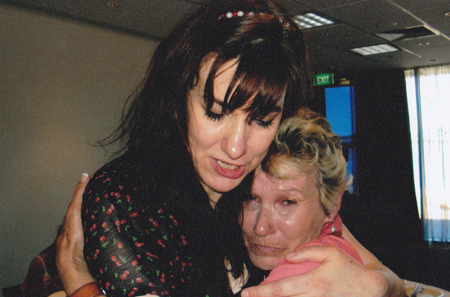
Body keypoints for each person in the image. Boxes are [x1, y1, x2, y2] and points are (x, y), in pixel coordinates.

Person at [56, 0, 407, 296]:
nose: (237, 148)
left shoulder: (262, 170)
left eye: (263, 119)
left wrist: (375, 285)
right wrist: (79, 283)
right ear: (177, 101)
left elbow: (387, 278)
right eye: (215, 112)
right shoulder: (127, 198)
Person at [241, 108, 364, 286]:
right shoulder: (334, 241)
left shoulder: (300, 277)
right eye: (251, 198)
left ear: (332, 206)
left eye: (287, 202)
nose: (260, 227)